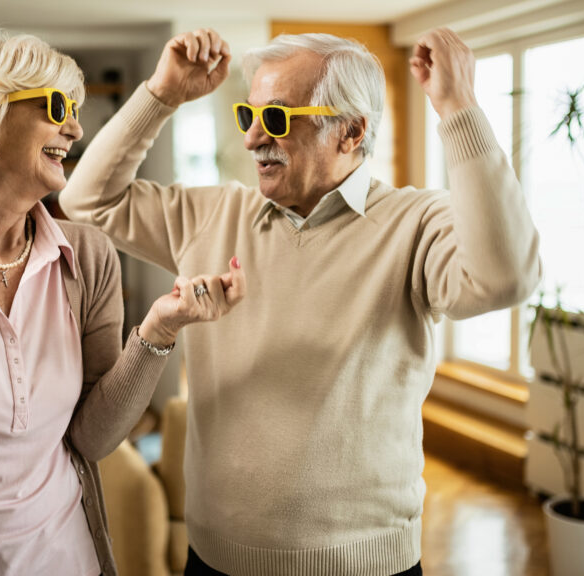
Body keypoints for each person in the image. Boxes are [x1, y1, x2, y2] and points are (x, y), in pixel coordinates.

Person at [60, 27, 542, 576]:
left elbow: (505, 278)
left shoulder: (415, 223)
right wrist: (162, 94)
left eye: (279, 119)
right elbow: (86, 199)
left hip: (366, 567)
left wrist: (459, 110)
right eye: (249, 116)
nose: (252, 139)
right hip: (216, 560)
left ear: (351, 132)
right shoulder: (212, 215)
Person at [0, 29, 245, 576]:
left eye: (74, 111)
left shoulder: (88, 257)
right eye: (57, 107)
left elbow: (93, 438)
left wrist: (158, 331)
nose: (75, 128)